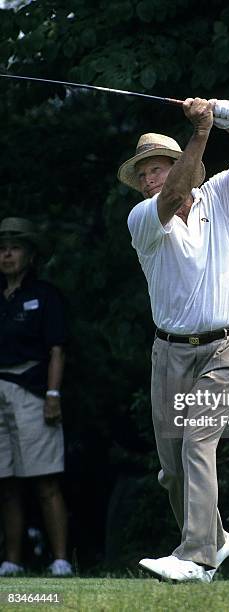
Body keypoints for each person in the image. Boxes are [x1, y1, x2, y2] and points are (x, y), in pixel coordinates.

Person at [118, 98, 229, 582]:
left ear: (185, 164)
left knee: (197, 440)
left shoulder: (220, 193)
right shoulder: (144, 217)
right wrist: (203, 129)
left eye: (158, 168)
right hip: (169, 353)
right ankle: (215, 538)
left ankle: (195, 557)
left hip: (227, 347)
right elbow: (171, 198)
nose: (149, 180)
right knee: (173, 468)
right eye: (142, 174)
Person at [0, 217, 72, 577]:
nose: (7, 253)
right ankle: (12, 561)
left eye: (14, 247)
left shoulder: (44, 295)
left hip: (33, 389)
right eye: (2, 248)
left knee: (45, 479)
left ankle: (60, 560)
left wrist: (52, 394)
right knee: (6, 482)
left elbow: (57, 348)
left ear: (29, 255)